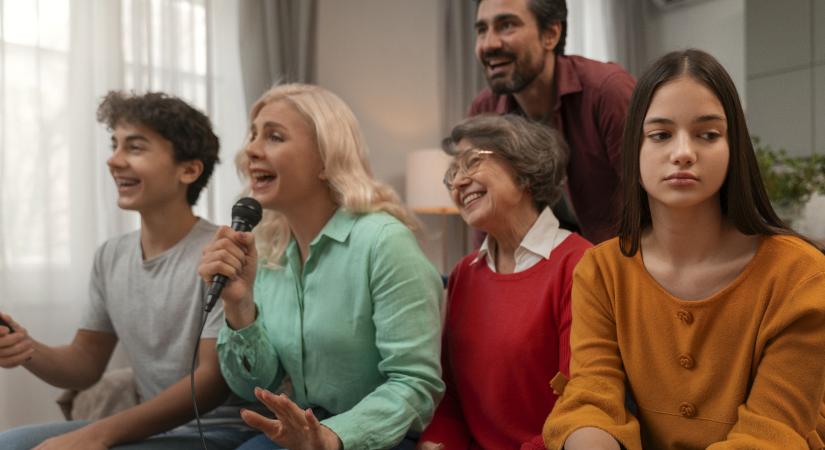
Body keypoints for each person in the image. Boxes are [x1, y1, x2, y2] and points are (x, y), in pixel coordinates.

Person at [543, 49, 825, 450]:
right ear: (633, 151)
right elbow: (593, 400)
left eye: (708, 134)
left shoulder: (801, 275)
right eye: (659, 135)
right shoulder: (602, 270)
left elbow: (771, 434)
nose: (683, 153)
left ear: (734, 149)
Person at [0, 91, 256, 449]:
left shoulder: (222, 252)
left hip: (220, 432)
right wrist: (26, 349)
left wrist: (96, 435)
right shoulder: (111, 256)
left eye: (134, 148)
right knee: (9, 443)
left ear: (189, 169)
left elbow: (212, 382)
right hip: (155, 434)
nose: (113, 160)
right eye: (114, 145)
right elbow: (85, 364)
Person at [197, 83, 445, 450]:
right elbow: (251, 384)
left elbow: (414, 384)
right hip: (298, 438)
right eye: (252, 136)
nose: (250, 149)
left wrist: (332, 437)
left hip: (376, 440)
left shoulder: (384, 242)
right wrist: (239, 305)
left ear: (326, 160)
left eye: (274, 137)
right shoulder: (268, 250)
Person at [418, 114, 591, 450]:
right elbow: (451, 397)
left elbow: (580, 403)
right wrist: (435, 444)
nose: (457, 184)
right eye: (452, 175)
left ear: (523, 168)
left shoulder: (580, 263)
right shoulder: (464, 274)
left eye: (471, 164)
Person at [470, 0, 635, 243]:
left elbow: (655, 201)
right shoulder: (484, 111)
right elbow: (486, 223)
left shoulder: (608, 92)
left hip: (622, 264)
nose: (489, 44)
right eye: (482, 30)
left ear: (550, 34)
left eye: (506, 25)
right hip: (543, 270)